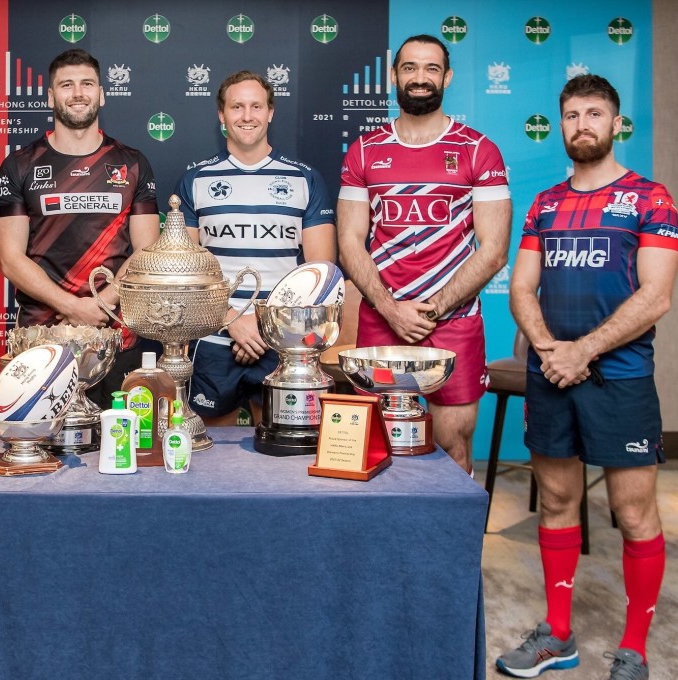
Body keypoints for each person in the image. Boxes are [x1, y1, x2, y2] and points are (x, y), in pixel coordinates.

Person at [496, 74, 677, 680]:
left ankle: (633, 649)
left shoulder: (651, 198)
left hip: (621, 378)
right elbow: (522, 289)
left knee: (633, 514)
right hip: (553, 374)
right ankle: (559, 634)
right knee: (556, 500)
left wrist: (585, 352)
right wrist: (551, 349)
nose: (581, 125)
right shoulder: (546, 203)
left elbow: (655, 297)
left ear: (615, 123)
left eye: (593, 114)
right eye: (571, 115)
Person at [337, 34, 511, 473]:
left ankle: (444, 543)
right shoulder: (364, 150)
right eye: (410, 68)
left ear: (447, 77)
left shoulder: (478, 150)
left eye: (431, 69)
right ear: (394, 76)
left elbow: (493, 251)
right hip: (382, 316)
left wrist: (430, 311)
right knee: (371, 445)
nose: (420, 78)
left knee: (453, 446)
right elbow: (349, 243)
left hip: (453, 322)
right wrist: (391, 309)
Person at [0, 48, 160, 406]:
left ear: (101, 93)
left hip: (117, 335)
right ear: (51, 96)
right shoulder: (19, 165)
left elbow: (147, 252)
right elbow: (9, 258)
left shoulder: (131, 162)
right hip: (43, 340)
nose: (78, 93)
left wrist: (101, 305)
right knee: (45, 453)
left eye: (87, 84)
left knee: (119, 447)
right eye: (66, 85)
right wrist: (71, 306)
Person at [175, 70, 336, 426]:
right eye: (237, 106)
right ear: (221, 114)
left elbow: (321, 274)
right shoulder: (196, 180)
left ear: (270, 112)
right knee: (210, 455)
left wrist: (262, 326)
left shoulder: (304, 178)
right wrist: (232, 321)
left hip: (284, 342)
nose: (247, 116)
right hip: (216, 337)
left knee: (288, 454)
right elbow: (184, 273)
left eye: (256, 106)